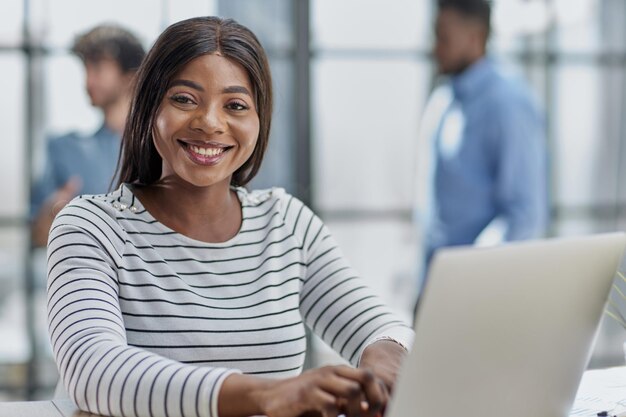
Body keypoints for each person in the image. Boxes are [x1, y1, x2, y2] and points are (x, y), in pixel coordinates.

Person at [47, 16, 414, 417]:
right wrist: (268, 395)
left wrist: (383, 357)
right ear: (150, 106)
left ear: (259, 122)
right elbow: (94, 372)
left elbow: (386, 328)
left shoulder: (286, 224)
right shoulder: (90, 227)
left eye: (235, 105)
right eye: (184, 99)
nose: (209, 123)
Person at [414, 0, 548, 292]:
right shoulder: (442, 100)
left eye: (443, 36)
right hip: (432, 283)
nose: (434, 47)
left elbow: (524, 212)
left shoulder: (508, 103)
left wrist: (472, 274)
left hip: (479, 288)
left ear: (474, 37)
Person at [31, 24, 145, 246]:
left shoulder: (163, 150)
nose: (87, 82)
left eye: (98, 68)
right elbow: (39, 237)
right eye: (86, 69)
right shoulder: (65, 150)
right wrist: (55, 210)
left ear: (130, 76)